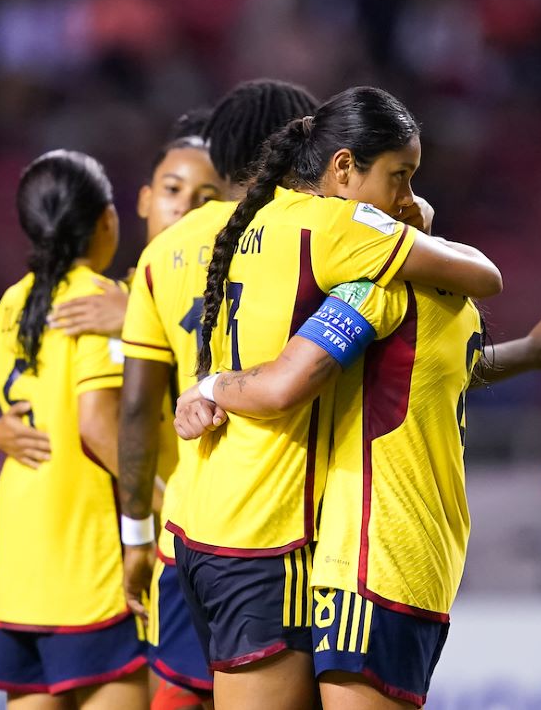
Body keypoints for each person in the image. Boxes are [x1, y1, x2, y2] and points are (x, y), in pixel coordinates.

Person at [164, 85, 504, 710]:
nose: (406, 199)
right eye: (400, 178)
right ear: (343, 168)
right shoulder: (356, 250)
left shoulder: (239, 225)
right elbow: (485, 275)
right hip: (276, 533)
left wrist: (205, 387)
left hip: (199, 517)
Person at [118, 79, 322, 708]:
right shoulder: (310, 232)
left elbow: (134, 410)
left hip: (185, 530)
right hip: (273, 525)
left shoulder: (161, 252)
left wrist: (135, 533)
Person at [0, 150, 148, 708]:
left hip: (24, 550)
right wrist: (163, 499)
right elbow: (96, 423)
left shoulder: (11, 301)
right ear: (106, 220)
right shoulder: (96, 299)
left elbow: (24, 409)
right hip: (87, 549)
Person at [0, 134, 221, 467]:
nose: (184, 206)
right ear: (143, 200)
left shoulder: (232, 287)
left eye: (208, 198)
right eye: (172, 189)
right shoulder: (104, 299)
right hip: (127, 501)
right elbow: (94, 423)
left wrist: (138, 321)